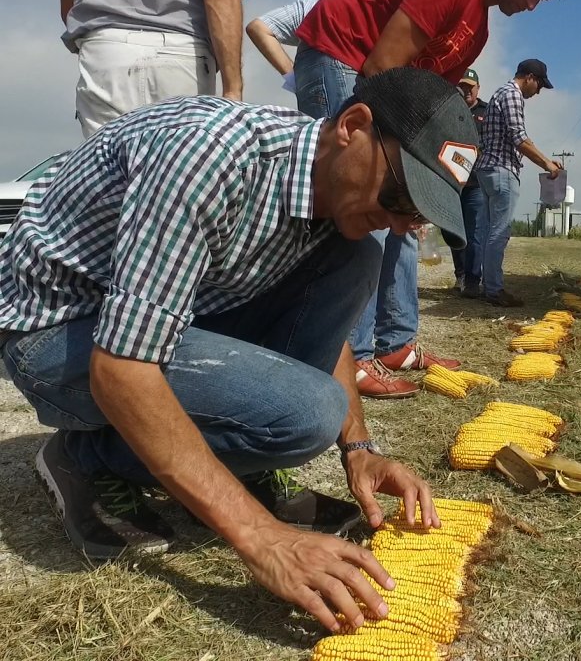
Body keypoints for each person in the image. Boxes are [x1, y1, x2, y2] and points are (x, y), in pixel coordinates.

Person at [0, 67, 480, 633]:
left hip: (153, 316)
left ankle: (247, 464)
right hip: (56, 330)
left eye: (419, 214)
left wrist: (360, 449)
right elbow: (123, 367)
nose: (403, 222)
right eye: (401, 195)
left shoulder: (328, 193)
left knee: (355, 263)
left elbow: (325, 331)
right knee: (309, 414)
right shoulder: (208, 159)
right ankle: (85, 457)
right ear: (353, 126)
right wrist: (260, 537)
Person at [292, 0, 570, 396]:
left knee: (404, 215)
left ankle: (396, 341)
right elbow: (382, 67)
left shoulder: (478, 30)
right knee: (368, 204)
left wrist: (422, 188)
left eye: (542, 0)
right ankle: (350, 353)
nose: (532, 4)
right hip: (343, 54)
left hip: (377, 78)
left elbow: (430, 106)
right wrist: (390, 172)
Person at [52, 0, 249, 138]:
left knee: (109, 176)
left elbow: (70, 2)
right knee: (181, 172)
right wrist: (232, 89)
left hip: (106, 50)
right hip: (183, 49)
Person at [474, 59, 563, 307]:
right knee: (499, 233)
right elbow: (519, 138)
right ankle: (494, 290)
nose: (539, 92)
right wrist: (546, 164)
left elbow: (518, 138)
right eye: (540, 86)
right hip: (502, 170)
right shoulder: (512, 94)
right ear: (530, 77)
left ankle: (486, 285)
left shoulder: (500, 93)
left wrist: (547, 159)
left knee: (488, 231)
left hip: (487, 170)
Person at [451, 68, 490, 296]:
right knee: (455, 231)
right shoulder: (450, 110)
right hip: (453, 182)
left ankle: (474, 280)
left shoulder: (487, 111)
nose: (466, 91)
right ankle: (461, 275)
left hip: (475, 183)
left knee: (474, 233)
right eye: (462, 86)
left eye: (470, 87)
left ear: (478, 88)